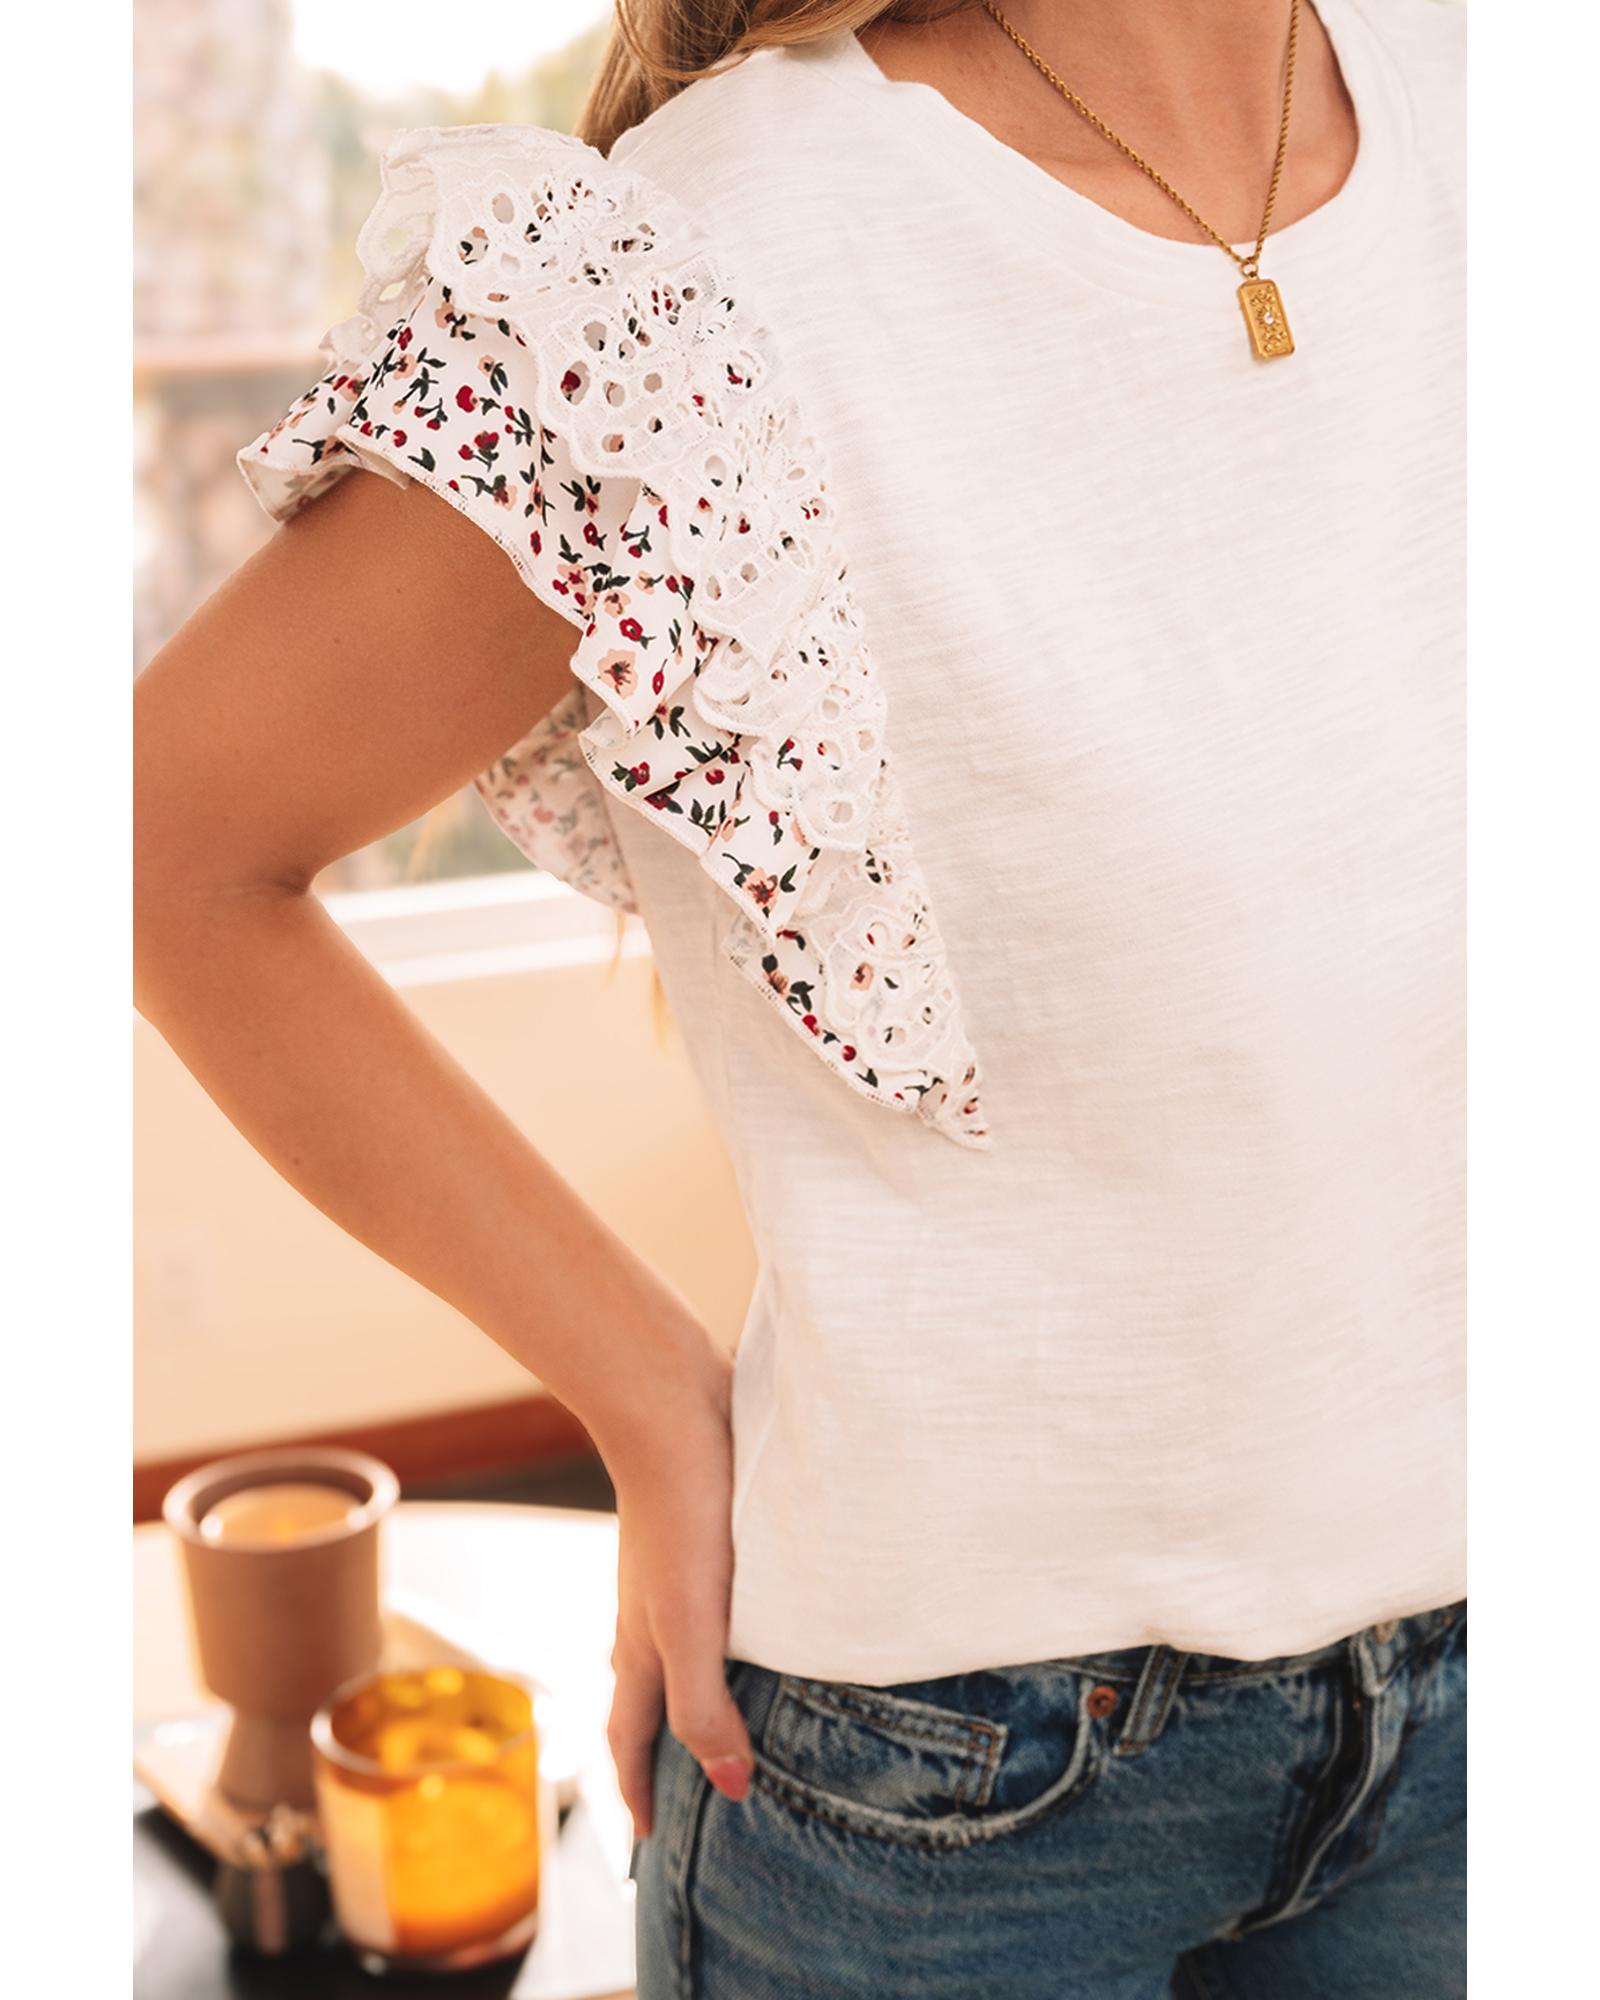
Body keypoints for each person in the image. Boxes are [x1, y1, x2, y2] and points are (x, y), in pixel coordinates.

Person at [133, 0, 1466, 1992]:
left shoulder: (1500, 110)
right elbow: (162, 843)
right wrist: (647, 1395)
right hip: (943, 1785)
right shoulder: (681, 276)